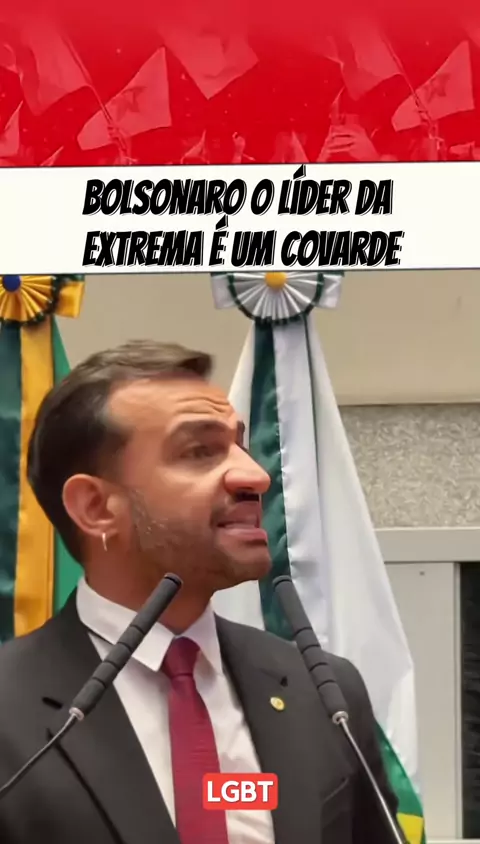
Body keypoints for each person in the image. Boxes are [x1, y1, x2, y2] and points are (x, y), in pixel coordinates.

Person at [0, 339, 400, 844]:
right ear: (96, 507)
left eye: (239, 445)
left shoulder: (324, 693)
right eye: (199, 452)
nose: (256, 476)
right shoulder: (9, 709)